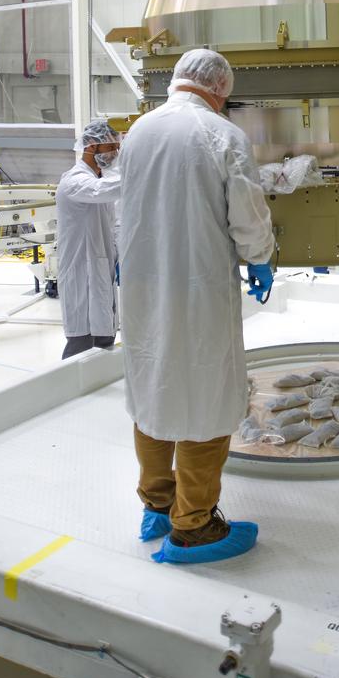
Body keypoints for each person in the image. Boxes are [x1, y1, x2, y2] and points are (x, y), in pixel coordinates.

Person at [118, 48, 275, 565]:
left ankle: (158, 506)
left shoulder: (139, 131)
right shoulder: (222, 135)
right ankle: (194, 527)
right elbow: (247, 213)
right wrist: (260, 259)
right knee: (207, 397)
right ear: (221, 88)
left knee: (152, 386)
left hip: (144, 284)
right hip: (200, 284)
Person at [55, 120, 121, 360]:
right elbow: (101, 190)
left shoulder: (101, 178)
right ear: (92, 146)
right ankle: (65, 392)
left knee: (105, 338)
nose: (116, 153)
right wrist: (143, 170)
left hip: (102, 268)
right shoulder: (74, 181)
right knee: (80, 345)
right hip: (81, 272)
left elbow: (113, 224)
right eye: (111, 147)